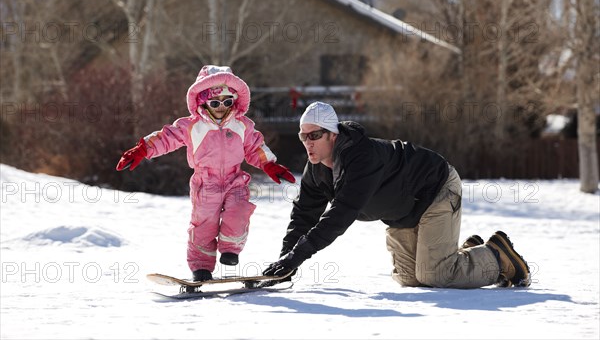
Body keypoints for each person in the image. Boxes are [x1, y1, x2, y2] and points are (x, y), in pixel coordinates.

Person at [262, 101, 530, 289]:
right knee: (409, 279)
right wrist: (286, 260)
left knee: (434, 275)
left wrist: (298, 256)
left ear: (332, 135)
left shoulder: (361, 157)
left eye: (315, 135)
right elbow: (303, 215)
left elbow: (341, 213)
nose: (308, 142)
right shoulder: (316, 171)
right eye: (303, 136)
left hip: (435, 189)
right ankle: (464, 256)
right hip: (403, 213)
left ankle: (497, 256)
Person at [116, 65, 295, 282]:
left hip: (234, 180)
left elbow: (256, 147)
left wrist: (270, 165)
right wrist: (143, 149)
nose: (222, 107)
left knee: (239, 212)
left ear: (235, 101)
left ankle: (230, 250)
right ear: (203, 101)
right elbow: (166, 137)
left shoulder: (242, 125)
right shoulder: (192, 126)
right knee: (204, 225)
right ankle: (201, 267)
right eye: (215, 102)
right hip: (205, 183)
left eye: (228, 102)